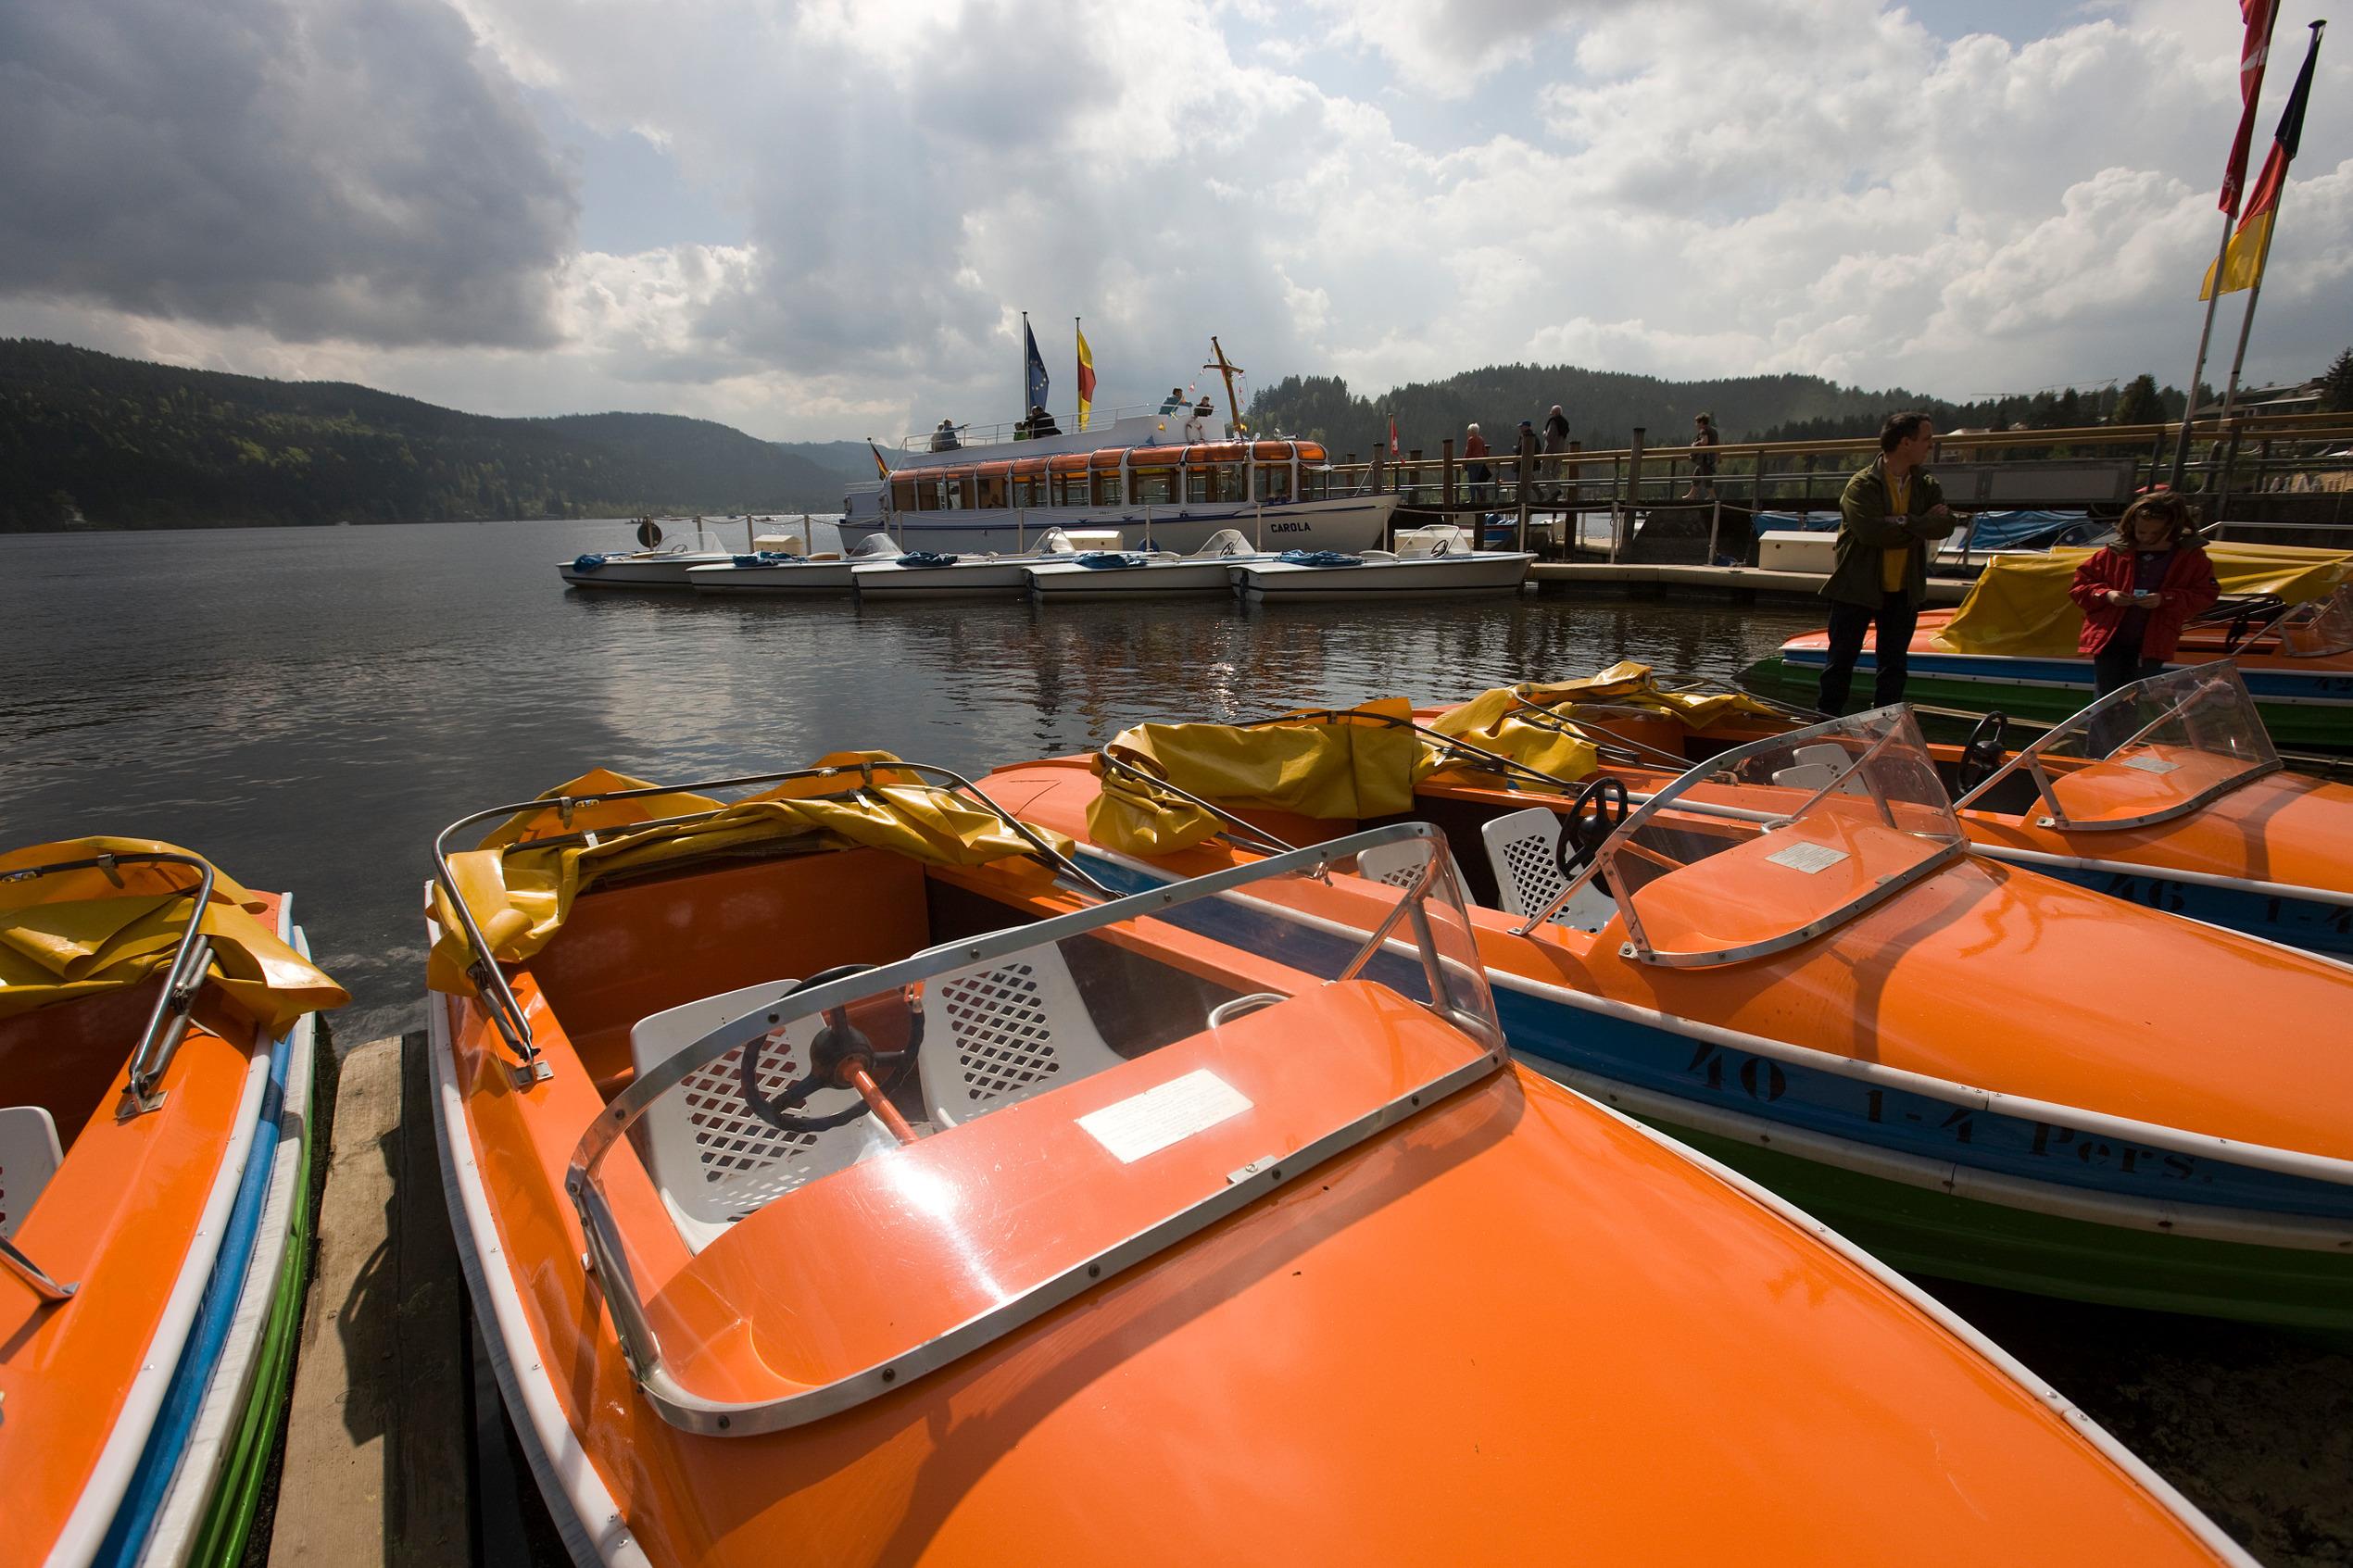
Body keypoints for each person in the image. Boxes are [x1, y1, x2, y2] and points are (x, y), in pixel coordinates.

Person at [1817, 411, 1958, 712]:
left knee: (1894, 666)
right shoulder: (1862, 485)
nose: (1930, 445)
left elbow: (1946, 524)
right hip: (1856, 588)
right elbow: (1871, 532)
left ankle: (1886, 724)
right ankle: (1825, 720)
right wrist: (1920, 526)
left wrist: (1903, 521)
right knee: (1840, 661)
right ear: (1906, 442)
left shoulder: (1926, 484)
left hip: (1903, 590)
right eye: (1926, 439)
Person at [2067, 490, 2220, 702]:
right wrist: (2107, 594)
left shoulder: (2192, 558)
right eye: (2141, 532)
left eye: (2155, 534)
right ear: (2132, 525)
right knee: (2106, 698)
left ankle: (2128, 724)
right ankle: (2104, 725)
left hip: (2154, 642)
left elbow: (2205, 594)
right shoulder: (2114, 552)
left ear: (2173, 529)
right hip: (2110, 640)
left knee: (2139, 698)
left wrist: (2165, 599)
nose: (2146, 538)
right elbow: (2080, 586)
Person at [1684, 412, 1720, 500]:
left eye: (1697, 422)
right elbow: (1718, 443)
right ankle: (1691, 494)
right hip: (1711, 457)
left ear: (1701, 422)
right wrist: (1718, 455)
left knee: (1707, 477)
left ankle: (1712, 496)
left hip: (1705, 458)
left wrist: (1695, 444)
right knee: (1697, 475)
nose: (1696, 425)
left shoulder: (1703, 430)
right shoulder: (1714, 430)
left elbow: (1704, 442)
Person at [1541, 405, 1571, 504]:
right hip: (1561, 450)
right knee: (1555, 473)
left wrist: (1545, 433)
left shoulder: (1553, 422)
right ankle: (1554, 496)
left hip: (1550, 450)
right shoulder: (1565, 423)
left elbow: (1549, 437)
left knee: (1544, 471)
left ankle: (1555, 491)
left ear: (1554, 413)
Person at [1463, 421, 1491, 508]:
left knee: (1472, 481)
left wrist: (1463, 463)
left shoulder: (1471, 440)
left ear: (1471, 431)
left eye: (1468, 431)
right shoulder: (1481, 439)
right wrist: (1485, 460)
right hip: (1480, 462)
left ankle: (1473, 499)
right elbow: (1484, 451)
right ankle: (1482, 494)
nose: (1467, 433)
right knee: (1476, 480)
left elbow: (1468, 452)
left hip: (1472, 462)